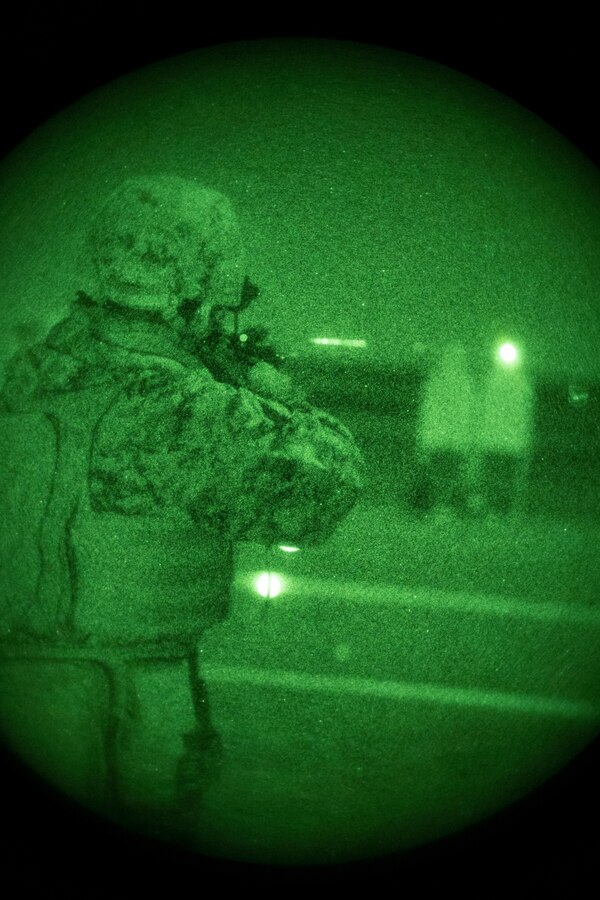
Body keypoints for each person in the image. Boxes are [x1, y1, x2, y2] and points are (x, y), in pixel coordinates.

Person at [0, 175, 364, 842]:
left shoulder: (22, 376)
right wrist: (270, 389)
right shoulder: (183, 407)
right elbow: (326, 490)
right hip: (116, 706)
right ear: (203, 284)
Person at [413, 341, 476, 517]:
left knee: (441, 476)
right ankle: (442, 507)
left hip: (441, 439)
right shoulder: (463, 383)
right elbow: (464, 414)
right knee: (447, 476)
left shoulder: (437, 381)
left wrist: (425, 438)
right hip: (451, 440)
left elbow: (429, 411)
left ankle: (440, 507)